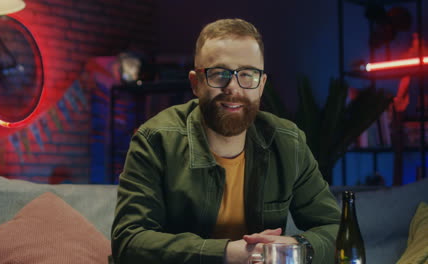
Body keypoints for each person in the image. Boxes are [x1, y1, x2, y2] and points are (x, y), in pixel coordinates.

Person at [111, 18, 341, 264]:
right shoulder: (155, 140)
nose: (233, 87)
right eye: (219, 74)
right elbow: (129, 241)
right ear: (196, 83)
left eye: (247, 74)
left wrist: (294, 246)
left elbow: (337, 230)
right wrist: (228, 253)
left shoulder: (287, 142)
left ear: (261, 85)